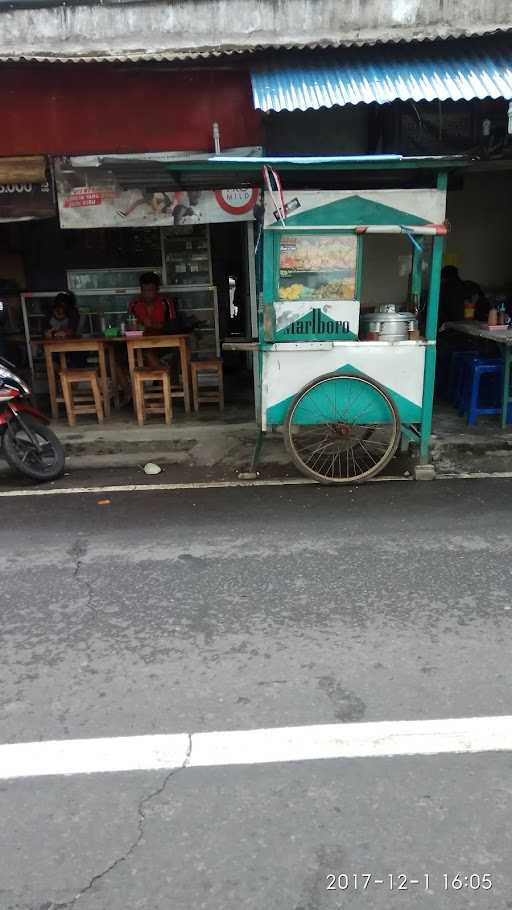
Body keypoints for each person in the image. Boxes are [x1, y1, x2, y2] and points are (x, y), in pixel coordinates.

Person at [129, 272, 179, 370]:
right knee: (115, 358)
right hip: (139, 344)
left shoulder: (165, 302)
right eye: (144, 290)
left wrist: (153, 325)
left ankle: (164, 382)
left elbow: (174, 326)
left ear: (157, 289)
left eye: (150, 290)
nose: (147, 294)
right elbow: (130, 325)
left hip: (163, 343)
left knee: (149, 354)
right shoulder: (134, 304)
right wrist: (138, 326)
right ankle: (132, 385)